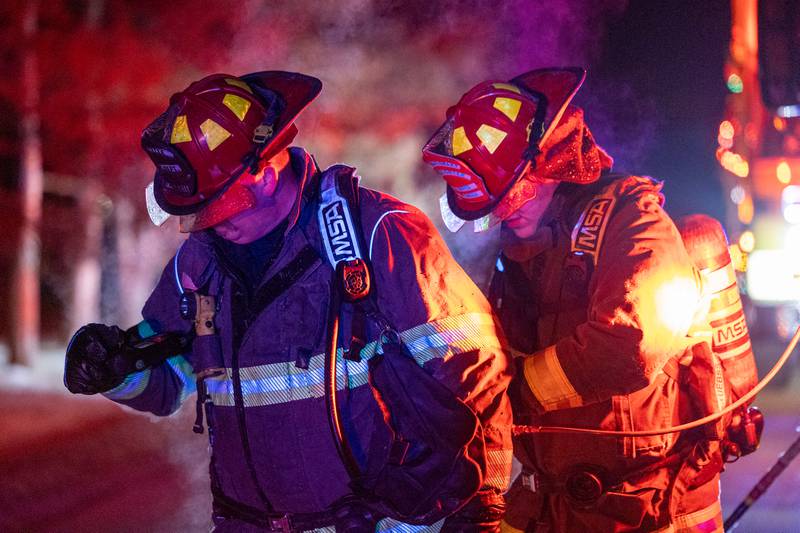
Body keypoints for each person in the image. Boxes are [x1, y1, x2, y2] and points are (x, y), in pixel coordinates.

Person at [63, 71, 514, 532]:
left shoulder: (377, 234)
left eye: (215, 205)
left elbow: (476, 375)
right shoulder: (197, 266)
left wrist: (476, 511)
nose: (205, 224)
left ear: (262, 170)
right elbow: (168, 385)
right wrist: (115, 371)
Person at [423, 67, 748, 532]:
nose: (502, 214)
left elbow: (629, 344)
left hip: (642, 510)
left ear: (547, 166)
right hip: (551, 502)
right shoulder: (521, 250)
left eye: (511, 197)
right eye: (494, 206)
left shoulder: (631, 220)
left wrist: (512, 392)